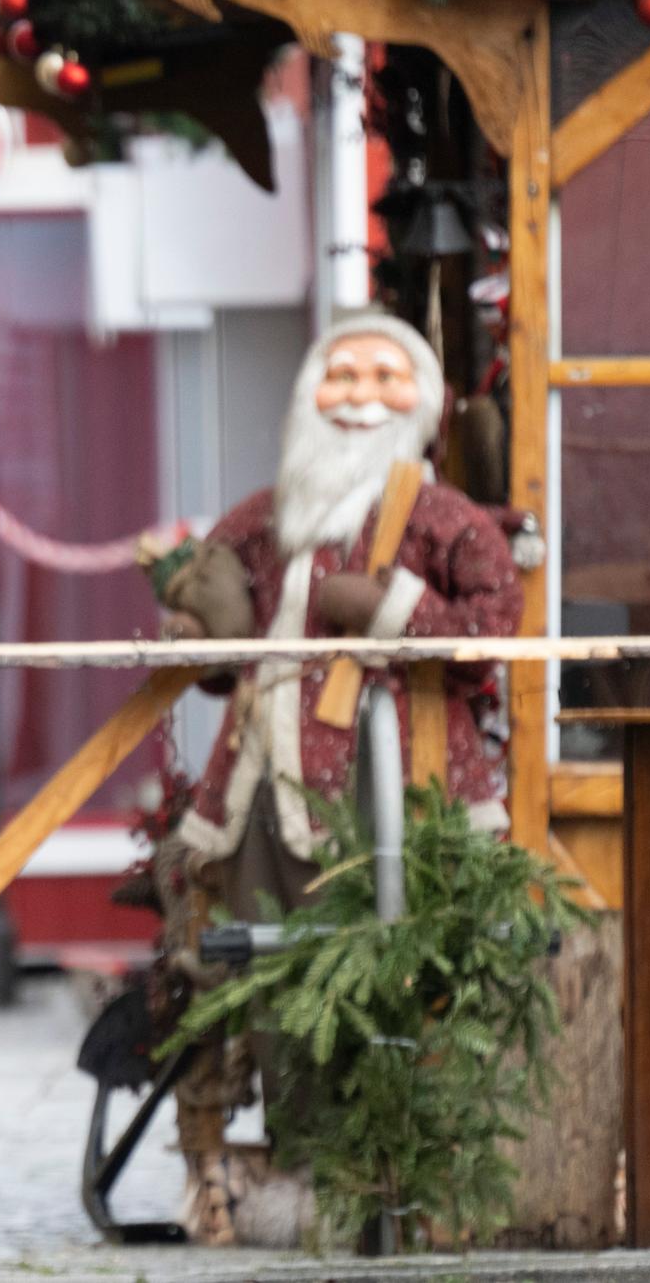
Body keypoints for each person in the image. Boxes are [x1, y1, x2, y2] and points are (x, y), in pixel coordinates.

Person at [135, 311, 523, 1246]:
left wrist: (393, 607)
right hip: (266, 789)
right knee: (279, 979)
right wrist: (196, 617)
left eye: (382, 378)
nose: (357, 399)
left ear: (422, 402)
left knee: (404, 977)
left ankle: (416, 1178)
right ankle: (313, 1175)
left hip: (402, 788)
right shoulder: (274, 517)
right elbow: (217, 624)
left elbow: (495, 632)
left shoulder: (444, 520)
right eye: (339, 377)